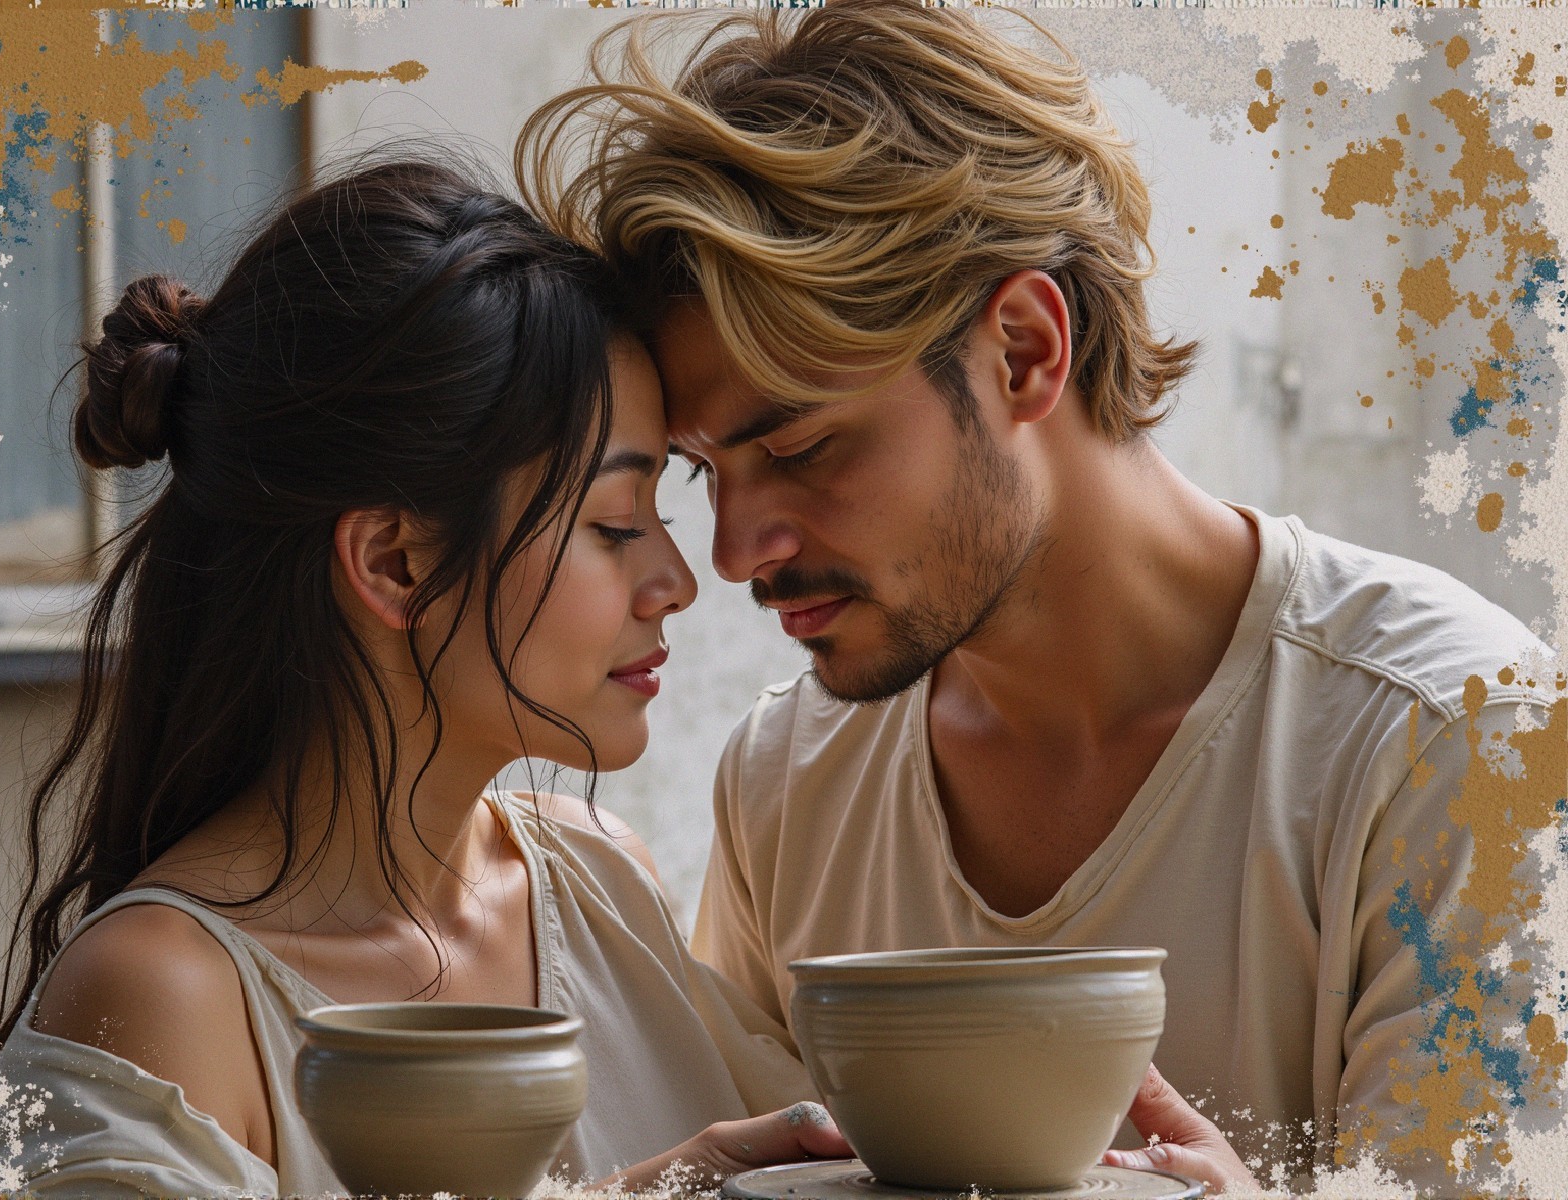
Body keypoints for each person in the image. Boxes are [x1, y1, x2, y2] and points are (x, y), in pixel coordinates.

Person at [520, 4, 1567, 1195]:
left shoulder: (1457, 740)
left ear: (1022, 349)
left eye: (802, 449)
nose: (733, 551)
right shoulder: (786, 784)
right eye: (709, 473)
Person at [0, 157, 850, 1198]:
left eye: (664, 509)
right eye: (615, 524)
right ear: (394, 562)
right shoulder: (166, 997)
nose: (677, 580)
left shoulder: (599, 880)